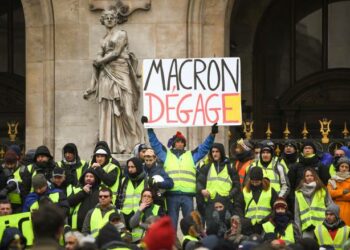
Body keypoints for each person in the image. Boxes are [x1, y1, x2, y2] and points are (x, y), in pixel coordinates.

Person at [83, 8, 143, 154]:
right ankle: (112, 145)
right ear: (103, 21)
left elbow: (116, 53)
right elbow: (98, 55)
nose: (109, 19)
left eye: (112, 17)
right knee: (107, 109)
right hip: (106, 75)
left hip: (121, 74)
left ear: (116, 20)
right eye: (107, 17)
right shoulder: (103, 39)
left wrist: (100, 61)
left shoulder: (121, 34)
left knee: (127, 111)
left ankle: (136, 144)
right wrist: (97, 60)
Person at [143, 115, 218, 229]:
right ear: (173, 143)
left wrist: (212, 134)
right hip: (171, 195)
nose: (180, 144)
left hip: (188, 196)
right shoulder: (166, 154)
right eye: (177, 141)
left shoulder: (191, 155)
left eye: (182, 142)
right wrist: (149, 128)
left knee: (191, 226)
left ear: (184, 144)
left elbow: (204, 147)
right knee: (171, 226)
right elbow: (155, 144)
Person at [197, 143, 241, 224]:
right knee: (212, 227)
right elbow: (199, 182)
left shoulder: (230, 167)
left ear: (221, 152)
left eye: (217, 151)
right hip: (211, 202)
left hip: (226, 202)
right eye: (213, 152)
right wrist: (202, 190)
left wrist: (229, 196)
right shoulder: (207, 167)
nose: (214, 154)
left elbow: (237, 185)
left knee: (226, 226)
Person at [294, 168, 333, 238]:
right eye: (307, 176)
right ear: (304, 178)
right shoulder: (298, 192)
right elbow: (297, 213)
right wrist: (298, 230)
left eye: (311, 175)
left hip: (322, 226)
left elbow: (330, 207)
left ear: (315, 176)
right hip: (307, 227)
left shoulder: (323, 190)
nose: (309, 177)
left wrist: (330, 224)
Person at [241, 167, 278, 235]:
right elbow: (240, 207)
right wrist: (244, 220)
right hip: (249, 227)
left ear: (261, 179)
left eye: (257, 181)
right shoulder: (245, 191)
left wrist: (267, 218)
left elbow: (276, 208)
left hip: (266, 226)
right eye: (253, 181)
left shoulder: (270, 190)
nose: (254, 183)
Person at [117, 157, 147, 230]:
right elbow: (119, 197)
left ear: (138, 167)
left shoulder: (146, 181)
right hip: (124, 215)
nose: (130, 169)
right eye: (129, 167)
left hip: (140, 214)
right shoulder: (124, 180)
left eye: (133, 167)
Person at [327, 157, 350, 225]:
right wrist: (342, 192)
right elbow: (329, 193)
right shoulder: (332, 180)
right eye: (342, 166)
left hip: (348, 210)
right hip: (334, 211)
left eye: (346, 167)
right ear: (338, 167)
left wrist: (336, 195)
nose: (344, 168)